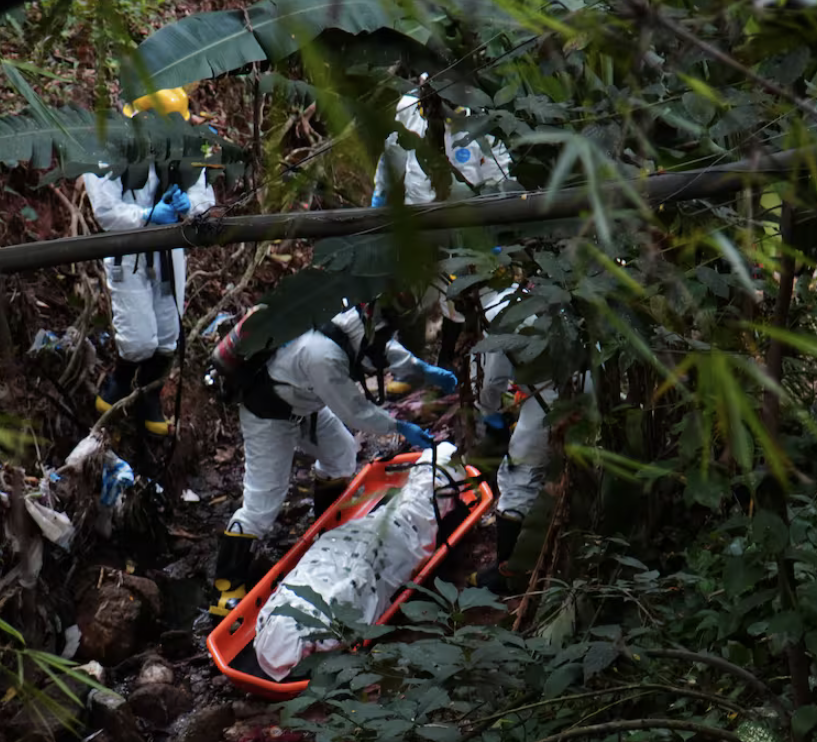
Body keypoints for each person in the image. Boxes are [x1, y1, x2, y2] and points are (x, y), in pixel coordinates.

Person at [210, 299, 459, 616]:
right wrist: (399, 426)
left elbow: (383, 351)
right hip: (269, 414)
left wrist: (421, 370)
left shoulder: (356, 326)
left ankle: (326, 528)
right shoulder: (321, 355)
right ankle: (226, 588)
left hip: (304, 407)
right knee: (261, 506)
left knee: (341, 454)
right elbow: (354, 411)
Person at [84, 87, 216, 436]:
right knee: (139, 338)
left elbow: (202, 193)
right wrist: (145, 215)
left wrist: (191, 208)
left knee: (168, 335)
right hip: (129, 250)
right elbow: (106, 210)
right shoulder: (108, 147)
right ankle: (120, 380)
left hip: (171, 248)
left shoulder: (185, 147)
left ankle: (151, 396)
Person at [369, 74, 517, 382]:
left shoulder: (479, 114)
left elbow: (496, 171)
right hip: (419, 218)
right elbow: (393, 154)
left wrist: (498, 228)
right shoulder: (411, 107)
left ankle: (456, 369)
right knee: (409, 296)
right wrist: (381, 197)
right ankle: (407, 369)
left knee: (461, 298)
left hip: (467, 223)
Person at [467, 290, 594, 592]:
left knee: (518, 477)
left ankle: (509, 572)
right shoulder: (530, 291)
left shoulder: (493, 313)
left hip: (554, 393)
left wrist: (489, 412)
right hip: (593, 379)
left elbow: (490, 382)